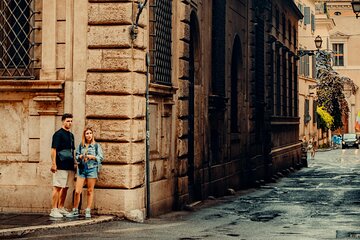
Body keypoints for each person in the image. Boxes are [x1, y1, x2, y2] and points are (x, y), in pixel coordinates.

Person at [66, 127, 104, 218]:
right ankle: (75, 210)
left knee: (90, 191)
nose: (89, 135)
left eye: (90, 133)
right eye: (87, 133)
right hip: (81, 169)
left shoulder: (96, 146)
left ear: (92, 134)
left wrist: (93, 157)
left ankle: (88, 210)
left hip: (92, 169)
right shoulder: (81, 145)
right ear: (84, 135)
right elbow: (76, 155)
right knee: (77, 191)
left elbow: (101, 158)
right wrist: (80, 156)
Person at [50, 113, 75, 218]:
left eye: (71, 121)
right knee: (57, 187)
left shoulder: (71, 135)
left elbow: (71, 151)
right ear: (63, 121)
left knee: (65, 187)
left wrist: (74, 163)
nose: (69, 123)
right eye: (68, 121)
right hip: (60, 165)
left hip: (69, 165)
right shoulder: (58, 134)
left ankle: (61, 207)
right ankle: (54, 209)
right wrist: (54, 164)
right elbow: (53, 150)